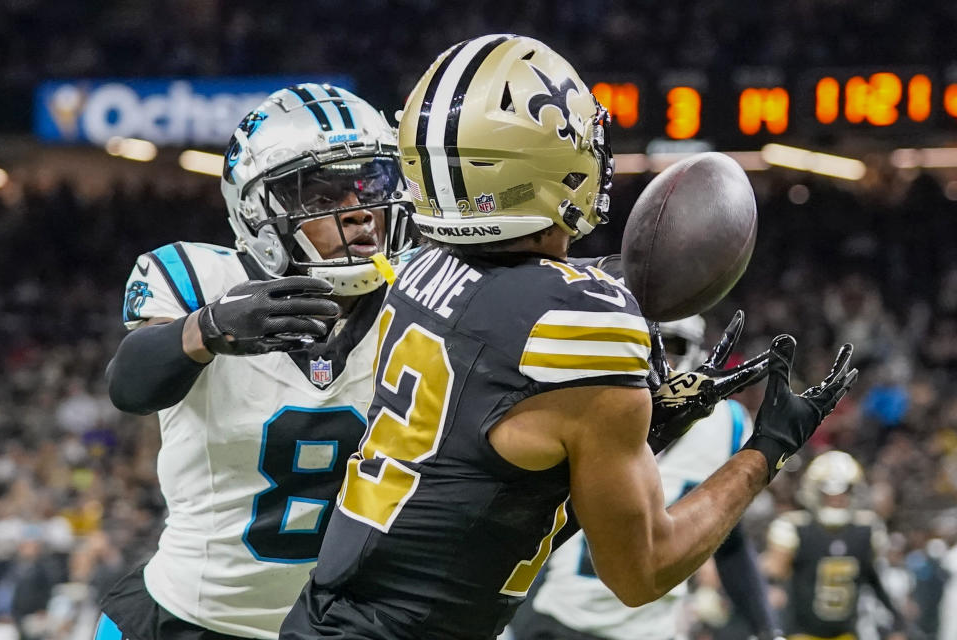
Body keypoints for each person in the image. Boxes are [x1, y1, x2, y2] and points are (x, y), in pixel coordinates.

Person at [280, 34, 856, 640]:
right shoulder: (581, 322)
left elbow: (492, 461)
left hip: (324, 615)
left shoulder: (417, 266)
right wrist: (765, 451)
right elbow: (642, 572)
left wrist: (645, 426)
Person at [97, 84, 414, 640]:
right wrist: (208, 328)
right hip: (184, 619)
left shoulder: (421, 292)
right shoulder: (199, 279)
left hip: (336, 627)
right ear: (259, 211)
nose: (361, 212)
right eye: (322, 199)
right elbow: (130, 385)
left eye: (370, 185)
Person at [517, 316, 783, 640]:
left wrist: (768, 629)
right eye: (649, 344)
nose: (660, 358)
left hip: (655, 629)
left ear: (696, 353)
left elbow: (729, 543)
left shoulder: (726, 424)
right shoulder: (588, 403)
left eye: (671, 345)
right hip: (562, 621)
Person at [763, 451, 908, 640]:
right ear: (815, 492)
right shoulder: (795, 529)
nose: (836, 499)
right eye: (828, 493)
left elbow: (874, 580)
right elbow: (772, 579)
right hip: (801, 633)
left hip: (846, 633)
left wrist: (897, 622)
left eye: (843, 492)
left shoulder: (865, 531)